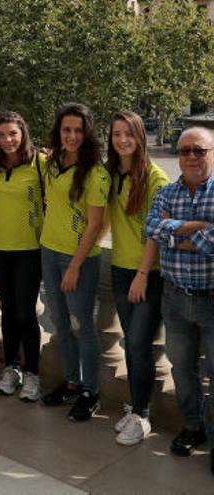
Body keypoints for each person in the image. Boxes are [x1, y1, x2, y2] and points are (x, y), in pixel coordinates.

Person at [144, 127, 214, 476]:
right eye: (185, 150)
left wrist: (175, 233)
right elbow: (152, 228)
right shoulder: (166, 190)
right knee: (182, 370)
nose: (190, 157)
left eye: (199, 151)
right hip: (174, 298)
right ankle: (193, 427)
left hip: (211, 299)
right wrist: (198, 228)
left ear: (211, 153)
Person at [39, 103, 110, 422]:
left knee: (84, 327)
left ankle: (91, 391)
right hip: (48, 251)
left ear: (87, 133)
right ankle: (71, 382)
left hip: (77, 260)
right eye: (66, 129)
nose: (72, 135)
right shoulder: (52, 163)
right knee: (61, 323)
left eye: (78, 130)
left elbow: (96, 226)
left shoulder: (96, 172)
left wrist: (74, 266)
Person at [106, 111, 170, 445]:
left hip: (148, 273)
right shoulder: (113, 173)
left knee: (138, 344)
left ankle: (143, 416)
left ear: (140, 136)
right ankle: (136, 406)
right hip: (119, 269)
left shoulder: (155, 178)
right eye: (116, 134)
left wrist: (143, 274)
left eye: (128, 134)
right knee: (132, 342)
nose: (122, 140)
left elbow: (156, 234)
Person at [0, 112, 45, 401]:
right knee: (8, 314)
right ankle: (12, 368)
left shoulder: (40, 164)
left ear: (23, 135)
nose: (8, 140)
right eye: (2, 135)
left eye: (13, 134)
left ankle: (33, 373)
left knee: (25, 314)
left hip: (29, 251)